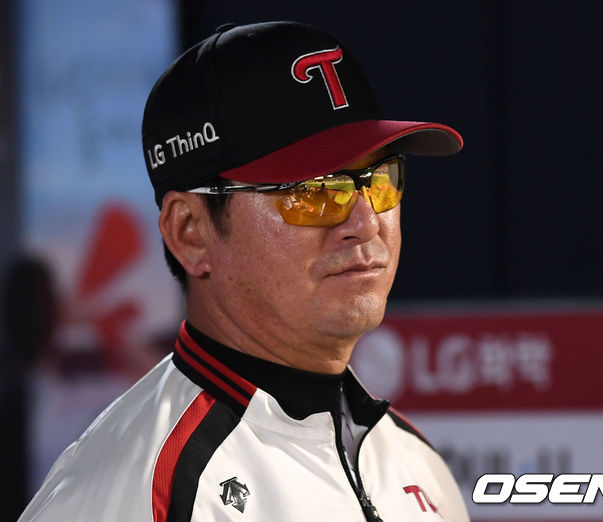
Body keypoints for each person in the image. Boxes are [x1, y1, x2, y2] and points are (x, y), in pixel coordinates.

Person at [19, 21, 469, 521]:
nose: (364, 223)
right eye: (313, 191)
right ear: (191, 232)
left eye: (379, 179)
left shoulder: (414, 460)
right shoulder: (146, 491)